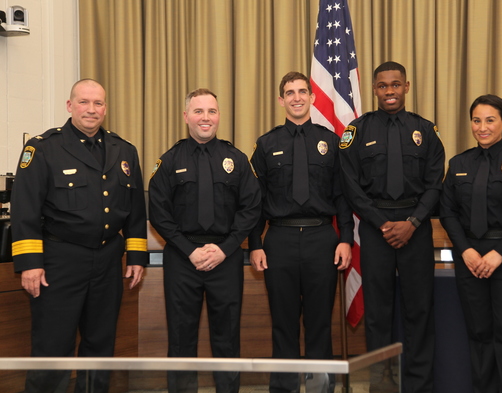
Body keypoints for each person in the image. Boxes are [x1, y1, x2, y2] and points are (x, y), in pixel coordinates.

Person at [10, 78, 148, 393]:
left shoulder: (124, 149)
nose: (91, 109)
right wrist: (30, 263)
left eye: (98, 103)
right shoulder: (43, 148)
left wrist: (137, 255)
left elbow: (136, 209)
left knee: (100, 347)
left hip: (108, 262)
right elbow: (25, 208)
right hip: (59, 263)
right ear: (70, 106)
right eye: (84, 102)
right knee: (52, 347)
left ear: (105, 108)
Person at [339, 61, 445, 393]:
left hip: (416, 227)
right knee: (378, 314)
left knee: (419, 311)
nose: (389, 91)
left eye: (395, 85)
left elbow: (435, 183)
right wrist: (384, 223)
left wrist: (412, 223)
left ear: (407, 86)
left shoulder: (425, 130)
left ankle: (419, 385)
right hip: (375, 228)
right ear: (374, 89)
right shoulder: (357, 131)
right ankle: (380, 384)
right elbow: (350, 185)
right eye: (383, 86)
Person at [148, 88, 261, 393]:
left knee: (227, 337)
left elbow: (251, 207)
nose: (205, 118)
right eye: (198, 111)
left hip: (226, 257)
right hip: (183, 259)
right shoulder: (170, 161)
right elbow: (158, 212)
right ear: (186, 116)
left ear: (219, 116)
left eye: (211, 111)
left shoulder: (236, 159)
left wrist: (225, 249)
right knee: (181, 338)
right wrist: (189, 250)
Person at [249, 71, 353, 393]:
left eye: (302, 91)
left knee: (320, 323)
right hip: (278, 240)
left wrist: (346, 239)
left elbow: (342, 196)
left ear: (312, 97)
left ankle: (321, 389)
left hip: (322, 239)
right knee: (283, 324)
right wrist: (255, 244)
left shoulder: (331, 142)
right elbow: (255, 201)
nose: (296, 97)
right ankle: (284, 389)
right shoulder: (266, 144)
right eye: (289, 92)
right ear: (281, 100)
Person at [440, 94, 502, 393]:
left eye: (490, 120)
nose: (482, 127)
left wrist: (498, 254)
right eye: (476, 120)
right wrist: (467, 251)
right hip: (470, 259)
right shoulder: (458, 163)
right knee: (480, 335)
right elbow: (447, 212)